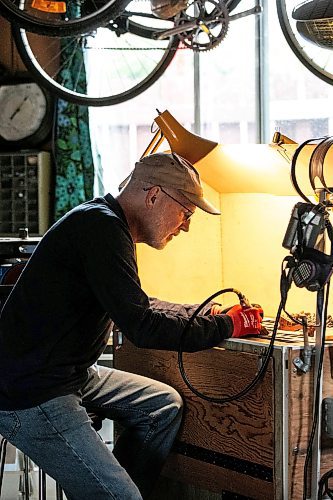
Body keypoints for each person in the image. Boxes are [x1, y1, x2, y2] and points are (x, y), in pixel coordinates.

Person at [0, 152, 264, 500]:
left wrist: (208, 313)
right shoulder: (102, 228)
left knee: (163, 406)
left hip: (70, 375)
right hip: (33, 391)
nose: (185, 226)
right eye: (185, 212)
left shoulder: (108, 223)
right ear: (153, 195)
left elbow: (138, 303)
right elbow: (142, 325)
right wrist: (226, 327)